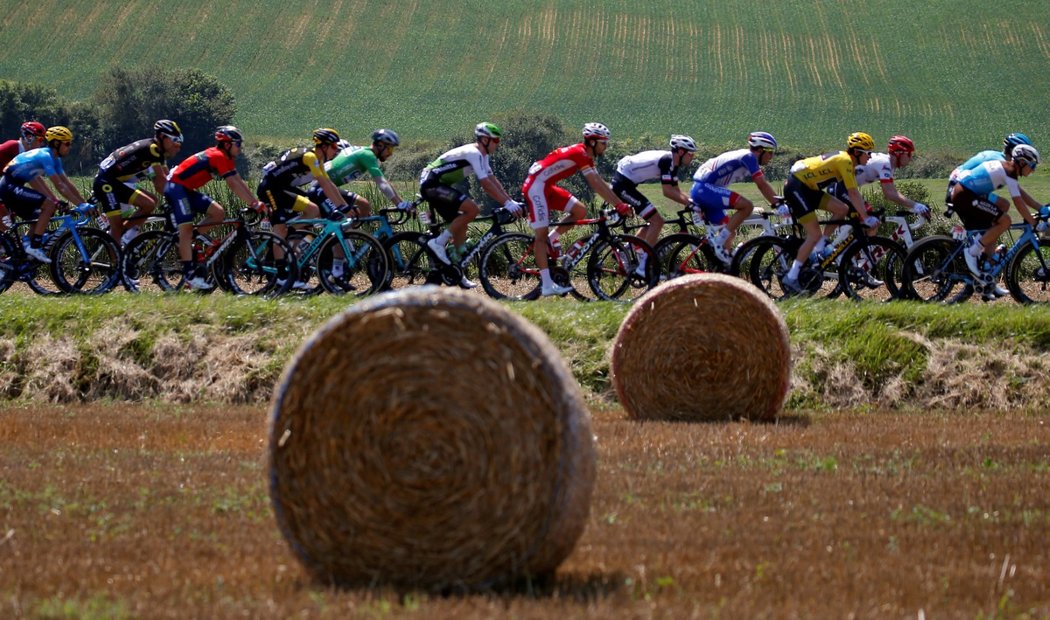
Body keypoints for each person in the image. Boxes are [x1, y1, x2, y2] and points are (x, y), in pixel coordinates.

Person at [522, 122, 630, 297]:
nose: (606, 147)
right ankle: (547, 285)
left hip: (546, 186)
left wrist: (618, 201)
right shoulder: (580, 154)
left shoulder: (585, 156)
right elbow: (595, 184)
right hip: (536, 187)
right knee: (539, 238)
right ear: (593, 142)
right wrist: (619, 204)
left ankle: (552, 238)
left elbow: (599, 181)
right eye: (604, 143)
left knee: (579, 211)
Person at [419, 122, 522, 288]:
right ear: (484, 140)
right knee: (472, 209)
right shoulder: (473, 153)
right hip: (431, 184)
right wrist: (507, 204)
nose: (498, 144)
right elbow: (485, 185)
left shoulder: (483, 156)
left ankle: (456, 272)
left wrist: (510, 201)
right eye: (496, 140)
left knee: (462, 227)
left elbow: (493, 181)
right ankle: (437, 243)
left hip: (440, 186)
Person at [165, 125, 264, 291]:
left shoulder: (226, 158)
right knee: (186, 229)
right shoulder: (217, 156)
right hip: (176, 188)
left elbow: (238, 180)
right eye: (238, 144)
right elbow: (232, 184)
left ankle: (190, 241)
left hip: (187, 190)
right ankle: (190, 276)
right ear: (227, 144)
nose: (240, 149)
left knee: (218, 213)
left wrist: (255, 202)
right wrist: (253, 204)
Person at [780, 132, 880, 294]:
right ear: (857, 152)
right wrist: (866, 217)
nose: (870, 157)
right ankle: (791, 277)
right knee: (813, 234)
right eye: (868, 153)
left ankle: (820, 248)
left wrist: (861, 212)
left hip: (808, 187)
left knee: (842, 209)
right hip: (797, 187)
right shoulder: (846, 161)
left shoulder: (846, 160)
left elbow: (850, 195)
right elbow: (853, 193)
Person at [257, 128, 350, 288]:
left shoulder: (317, 160)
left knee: (313, 210)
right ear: (324, 146)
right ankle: (281, 275)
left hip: (282, 189)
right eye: (334, 147)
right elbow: (323, 184)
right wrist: (341, 207)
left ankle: (289, 236)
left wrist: (344, 207)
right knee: (280, 228)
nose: (336, 151)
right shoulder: (310, 157)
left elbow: (330, 185)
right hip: (269, 188)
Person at [952, 144, 1044, 285]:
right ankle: (972, 252)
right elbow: (1018, 203)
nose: (1033, 170)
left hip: (967, 193)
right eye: (1032, 165)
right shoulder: (1009, 171)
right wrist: (1034, 223)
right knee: (1005, 221)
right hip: (966, 195)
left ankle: (986, 270)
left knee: (998, 218)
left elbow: (1020, 195)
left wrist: (1040, 208)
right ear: (1022, 162)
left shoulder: (1008, 168)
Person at [690, 131, 783, 264]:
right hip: (704, 189)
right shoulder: (749, 157)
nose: (771, 157)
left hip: (702, 189)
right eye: (771, 152)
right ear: (761, 150)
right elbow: (761, 184)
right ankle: (718, 242)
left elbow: (763, 183)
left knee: (730, 233)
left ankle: (723, 271)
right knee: (747, 206)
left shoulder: (747, 157)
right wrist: (778, 204)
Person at [0, 126, 89, 263]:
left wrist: (84, 203)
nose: (69, 147)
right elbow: (59, 185)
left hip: (14, 186)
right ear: (56, 143)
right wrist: (72, 204)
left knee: (41, 214)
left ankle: (22, 253)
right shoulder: (45, 156)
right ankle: (34, 246)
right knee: (48, 206)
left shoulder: (56, 160)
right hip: (9, 186)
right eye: (67, 143)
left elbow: (67, 183)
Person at [612, 135, 697, 274]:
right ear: (681, 152)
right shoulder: (667, 160)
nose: (692, 157)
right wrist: (692, 204)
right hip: (623, 184)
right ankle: (644, 264)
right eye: (690, 154)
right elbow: (667, 191)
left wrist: (692, 202)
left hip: (628, 182)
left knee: (652, 222)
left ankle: (628, 249)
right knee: (657, 221)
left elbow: (676, 190)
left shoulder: (673, 163)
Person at [93, 119, 183, 245]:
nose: (177, 146)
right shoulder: (152, 149)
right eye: (175, 141)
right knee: (119, 226)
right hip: (106, 183)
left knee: (151, 202)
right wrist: (180, 200)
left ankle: (126, 239)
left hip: (116, 182)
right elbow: (159, 184)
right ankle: (118, 258)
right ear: (162, 137)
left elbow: (166, 176)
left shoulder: (156, 150)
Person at [306, 129, 412, 218]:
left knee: (364, 206)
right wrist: (399, 203)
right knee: (343, 223)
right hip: (320, 188)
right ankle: (342, 238)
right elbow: (382, 183)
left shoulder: (364, 152)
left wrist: (401, 203)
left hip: (324, 186)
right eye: (389, 149)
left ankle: (354, 236)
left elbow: (384, 182)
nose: (390, 153)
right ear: (380, 145)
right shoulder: (368, 155)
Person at [0, 121, 47, 229]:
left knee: (35, 217)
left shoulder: (26, 154)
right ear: (29, 137)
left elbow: (35, 177)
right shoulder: (14, 147)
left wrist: (52, 199)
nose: (41, 144)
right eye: (40, 140)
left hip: (6, 189)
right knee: (6, 228)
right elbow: (32, 179)